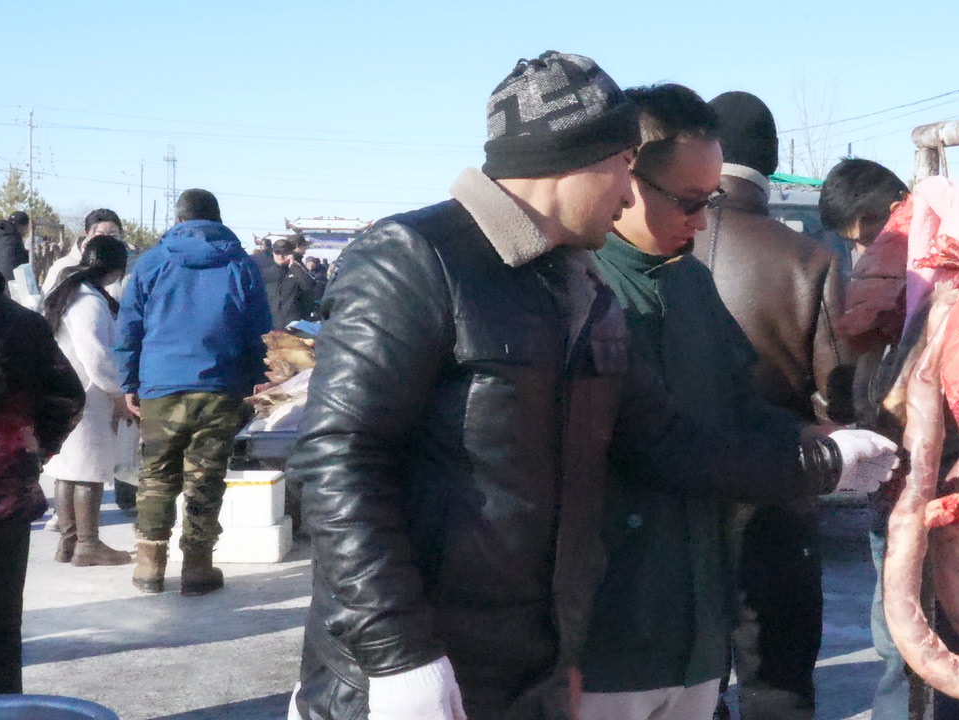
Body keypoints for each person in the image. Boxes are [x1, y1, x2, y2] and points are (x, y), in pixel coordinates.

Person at [287, 51, 897, 720]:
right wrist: (397, 655)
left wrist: (824, 459)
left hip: (527, 673)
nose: (627, 194)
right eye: (622, 167)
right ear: (577, 162)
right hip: (409, 672)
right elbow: (339, 459)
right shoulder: (415, 258)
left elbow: (666, 441)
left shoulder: (578, 283)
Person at [578, 84, 894, 720]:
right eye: (691, 201)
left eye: (711, 200)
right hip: (605, 634)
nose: (702, 222)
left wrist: (815, 440)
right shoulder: (577, 287)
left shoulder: (690, 279)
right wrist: (816, 465)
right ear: (627, 178)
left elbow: (737, 402)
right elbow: (662, 446)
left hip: (695, 621)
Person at [818, 159, 959, 720]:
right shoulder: (881, 289)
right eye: (854, 243)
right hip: (900, 490)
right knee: (903, 636)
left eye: (870, 233)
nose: (866, 251)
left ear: (901, 207)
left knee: (947, 629)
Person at [690, 91, 854, 720]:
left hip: (667, 505)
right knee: (778, 682)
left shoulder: (649, 243)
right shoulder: (808, 258)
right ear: (773, 159)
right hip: (778, 495)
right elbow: (836, 397)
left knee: (686, 686)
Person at [115, 188, 272, 596]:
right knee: (206, 476)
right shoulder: (241, 264)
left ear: (179, 219)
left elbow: (129, 327)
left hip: (160, 384)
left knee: (156, 475)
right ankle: (198, 568)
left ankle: (149, 566)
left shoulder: (151, 262)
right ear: (217, 219)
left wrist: (128, 381)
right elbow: (259, 332)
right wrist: (257, 379)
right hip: (221, 385)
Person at [0, 265, 85, 694]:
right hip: (4, 491)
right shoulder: (23, 322)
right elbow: (68, 395)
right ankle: (0, 707)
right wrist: (37, 449)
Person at [40, 235, 134, 567]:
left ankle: (69, 542)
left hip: (67, 390)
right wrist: (118, 393)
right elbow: (96, 355)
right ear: (115, 269)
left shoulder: (69, 292)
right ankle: (88, 544)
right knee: (88, 471)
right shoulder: (88, 301)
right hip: (88, 394)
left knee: (68, 469)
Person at [43, 208, 126, 294]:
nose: (107, 242)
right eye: (100, 236)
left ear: (121, 234)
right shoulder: (62, 266)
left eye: (113, 236)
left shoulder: (130, 266)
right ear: (87, 234)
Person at [260, 236, 316, 329]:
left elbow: (309, 285)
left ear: (291, 254)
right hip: (272, 325)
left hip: (295, 325)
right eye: (277, 253)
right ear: (273, 253)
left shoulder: (298, 270)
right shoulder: (266, 273)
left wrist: (293, 266)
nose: (281, 256)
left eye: (285, 253)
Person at [0, 211, 31, 281]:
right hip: (4, 283)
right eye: (27, 227)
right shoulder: (12, 241)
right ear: (23, 226)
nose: (27, 231)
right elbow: (7, 267)